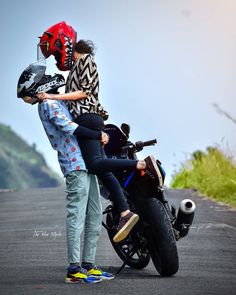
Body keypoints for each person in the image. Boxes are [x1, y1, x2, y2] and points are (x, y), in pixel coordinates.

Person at [37, 40, 163, 243]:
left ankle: (141, 164)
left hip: (87, 118)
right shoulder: (75, 69)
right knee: (103, 169)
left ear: (74, 50)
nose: (58, 58)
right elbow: (74, 95)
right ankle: (125, 213)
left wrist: (52, 96)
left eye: (57, 53)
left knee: (95, 164)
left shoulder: (86, 60)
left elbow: (84, 92)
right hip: (88, 118)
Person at [22, 95, 114, 283]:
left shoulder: (59, 101)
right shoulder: (48, 104)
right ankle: (74, 269)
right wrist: (98, 135)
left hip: (88, 162)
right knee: (77, 215)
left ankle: (88, 265)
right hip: (74, 164)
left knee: (95, 214)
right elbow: (68, 126)